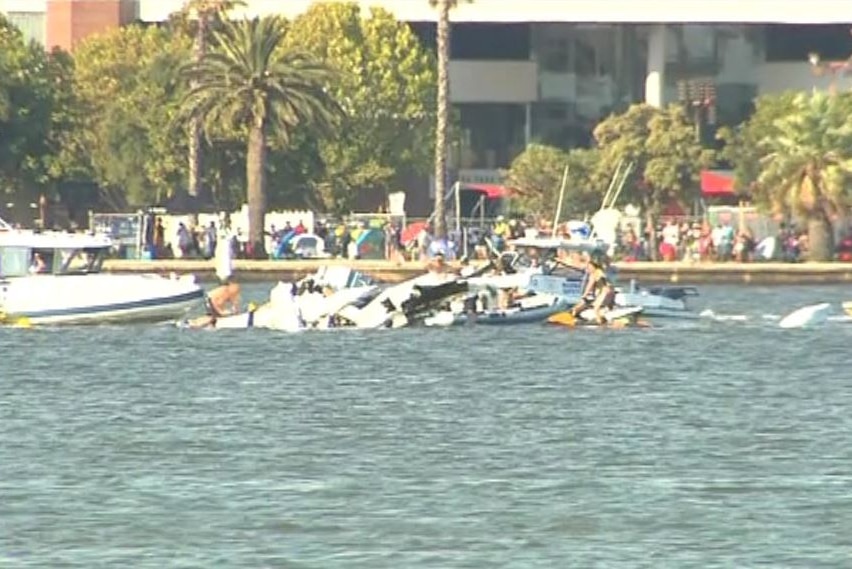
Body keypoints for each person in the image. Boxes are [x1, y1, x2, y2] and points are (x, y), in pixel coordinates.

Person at [571, 253, 615, 324]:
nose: (588, 269)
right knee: (606, 306)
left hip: (605, 291)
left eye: (589, 267)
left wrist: (584, 295)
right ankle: (607, 318)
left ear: (593, 267)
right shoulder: (601, 271)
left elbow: (589, 287)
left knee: (595, 308)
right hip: (611, 291)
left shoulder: (594, 274)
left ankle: (600, 323)